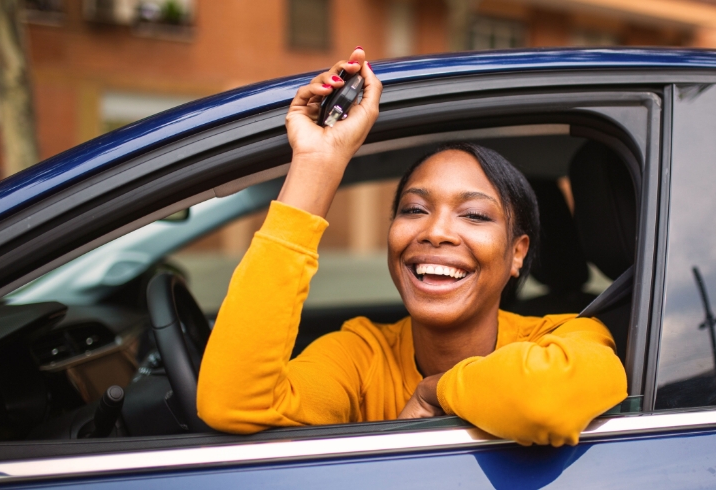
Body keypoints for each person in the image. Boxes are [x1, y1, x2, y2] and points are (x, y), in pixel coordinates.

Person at [197, 47, 627, 447]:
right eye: (414, 210)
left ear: (517, 253)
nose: (435, 232)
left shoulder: (567, 335)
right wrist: (317, 161)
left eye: (474, 215)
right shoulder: (360, 353)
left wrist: (433, 391)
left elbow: (544, 403)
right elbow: (235, 403)